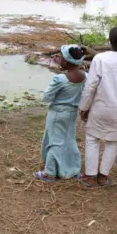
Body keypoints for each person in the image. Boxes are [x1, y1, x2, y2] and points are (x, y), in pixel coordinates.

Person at [78, 27, 117, 187]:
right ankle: (103, 176)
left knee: (92, 139)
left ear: (110, 41)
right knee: (112, 142)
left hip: (100, 107)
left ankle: (89, 176)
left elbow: (90, 86)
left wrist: (84, 106)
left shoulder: (100, 58)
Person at [33, 45, 86, 182]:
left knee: (55, 141)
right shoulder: (85, 76)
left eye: (61, 57)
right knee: (69, 139)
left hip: (57, 113)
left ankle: (50, 172)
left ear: (67, 62)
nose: (59, 59)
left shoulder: (60, 79)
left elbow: (46, 97)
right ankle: (72, 169)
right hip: (72, 113)